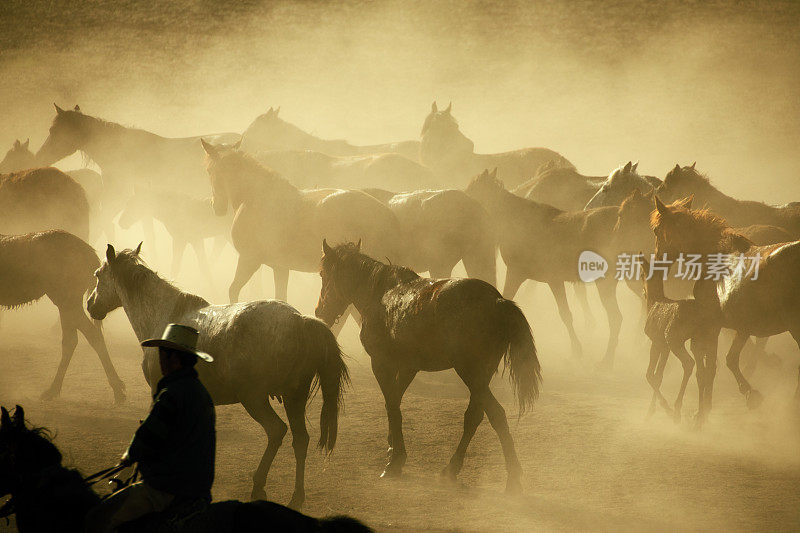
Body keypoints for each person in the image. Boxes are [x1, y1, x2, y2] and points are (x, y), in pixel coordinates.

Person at [84, 324, 216, 533]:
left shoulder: (171, 394)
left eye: (163, 354)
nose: (160, 360)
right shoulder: (201, 393)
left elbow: (148, 437)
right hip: (198, 489)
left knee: (99, 519)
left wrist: (129, 456)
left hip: (167, 487)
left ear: (174, 358)